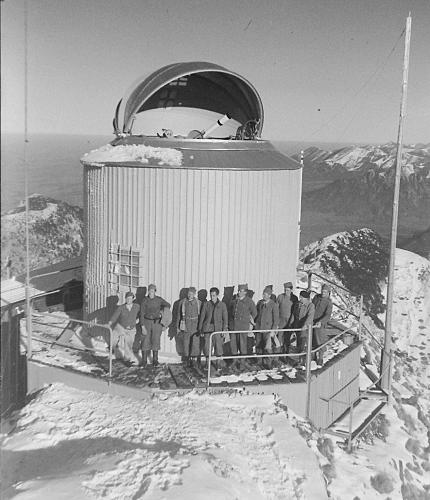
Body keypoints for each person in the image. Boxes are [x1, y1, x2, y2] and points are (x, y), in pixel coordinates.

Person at [137, 284, 170, 367]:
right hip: (147, 322)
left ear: (155, 291)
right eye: (149, 291)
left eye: (152, 291)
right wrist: (142, 326)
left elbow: (168, 305)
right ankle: (144, 361)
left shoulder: (159, 300)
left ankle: (155, 360)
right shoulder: (144, 300)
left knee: (156, 340)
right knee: (145, 340)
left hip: (157, 323)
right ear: (148, 291)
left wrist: (162, 314)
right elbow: (141, 314)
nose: (151, 292)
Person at [198, 287, 228, 372]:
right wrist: (200, 329)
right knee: (207, 347)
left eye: (214, 295)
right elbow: (202, 317)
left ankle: (218, 364)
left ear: (217, 295)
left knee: (218, 347)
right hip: (208, 328)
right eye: (211, 295)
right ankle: (208, 364)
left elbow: (225, 318)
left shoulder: (222, 305)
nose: (212, 297)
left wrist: (224, 329)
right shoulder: (206, 304)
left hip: (218, 329)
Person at [108, 291, 140, 366]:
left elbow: (141, 313)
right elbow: (115, 316)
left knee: (128, 345)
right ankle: (112, 347)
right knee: (114, 334)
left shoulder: (137, 306)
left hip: (131, 329)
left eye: (130, 298)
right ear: (125, 299)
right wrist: (110, 322)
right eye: (127, 298)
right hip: (121, 326)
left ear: (133, 299)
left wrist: (138, 319)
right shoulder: (121, 307)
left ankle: (127, 360)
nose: (129, 300)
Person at [229, 283, 257, 369]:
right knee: (233, 345)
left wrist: (248, 321)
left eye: (241, 291)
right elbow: (231, 312)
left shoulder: (249, 301)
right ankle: (234, 361)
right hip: (234, 327)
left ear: (245, 292)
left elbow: (254, 313)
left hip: (243, 327)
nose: (239, 292)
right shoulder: (235, 301)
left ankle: (242, 363)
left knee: (242, 345)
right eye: (238, 291)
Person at [255, 286, 280, 367]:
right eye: (263, 294)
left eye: (266, 294)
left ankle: (268, 363)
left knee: (268, 347)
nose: (264, 296)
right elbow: (257, 314)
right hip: (259, 328)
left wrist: (273, 330)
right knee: (259, 345)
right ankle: (259, 362)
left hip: (268, 329)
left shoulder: (273, 305)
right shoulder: (260, 303)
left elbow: (276, 319)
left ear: (269, 295)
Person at [177, 287, 201, 367]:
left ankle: (194, 359)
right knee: (186, 342)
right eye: (189, 293)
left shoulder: (198, 303)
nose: (190, 295)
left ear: (194, 294)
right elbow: (178, 316)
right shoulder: (183, 302)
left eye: (192, 294)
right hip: (186, 324)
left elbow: (201, 316)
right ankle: (186, 359)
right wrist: (178, 327)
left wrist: (200, 327)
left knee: (195, 342)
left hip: (195, 325)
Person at [292, 290, 315, 367]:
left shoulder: (310, 306)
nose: (300, 299)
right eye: (300, 297)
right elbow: (295, 315)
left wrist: (305, 325)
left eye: (302, 298)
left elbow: (310, 316)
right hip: (298, 327)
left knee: (304, 345)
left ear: (306, 298)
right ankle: (300, 360)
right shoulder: (298, 305)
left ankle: (305, 361)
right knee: (299, 344)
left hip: (306, 329)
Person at [312, 284, 333, 365]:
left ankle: (320, 359)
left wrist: (321, 322)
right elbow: (312, 307)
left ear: (328, 293)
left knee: (320, 341)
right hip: (313, 322)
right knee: (312, 340)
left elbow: (327, 315)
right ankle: (313, 356)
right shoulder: (316, 297)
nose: (323, 293)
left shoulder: (328, 303)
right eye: (322, 291)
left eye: (325, 292)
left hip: (320, 325)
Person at [277, 282, 298, 353]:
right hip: (281, 320)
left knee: (287, 338)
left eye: (288, 290)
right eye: (285, 290)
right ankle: (278, 353)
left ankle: (286, 353)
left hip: (290, 321)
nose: (286, 292)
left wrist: (292, 321)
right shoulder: (280, 297)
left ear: (291, 290)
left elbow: (295, 311)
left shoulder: (294, 298)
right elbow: (276, 309)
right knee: (279, 337)